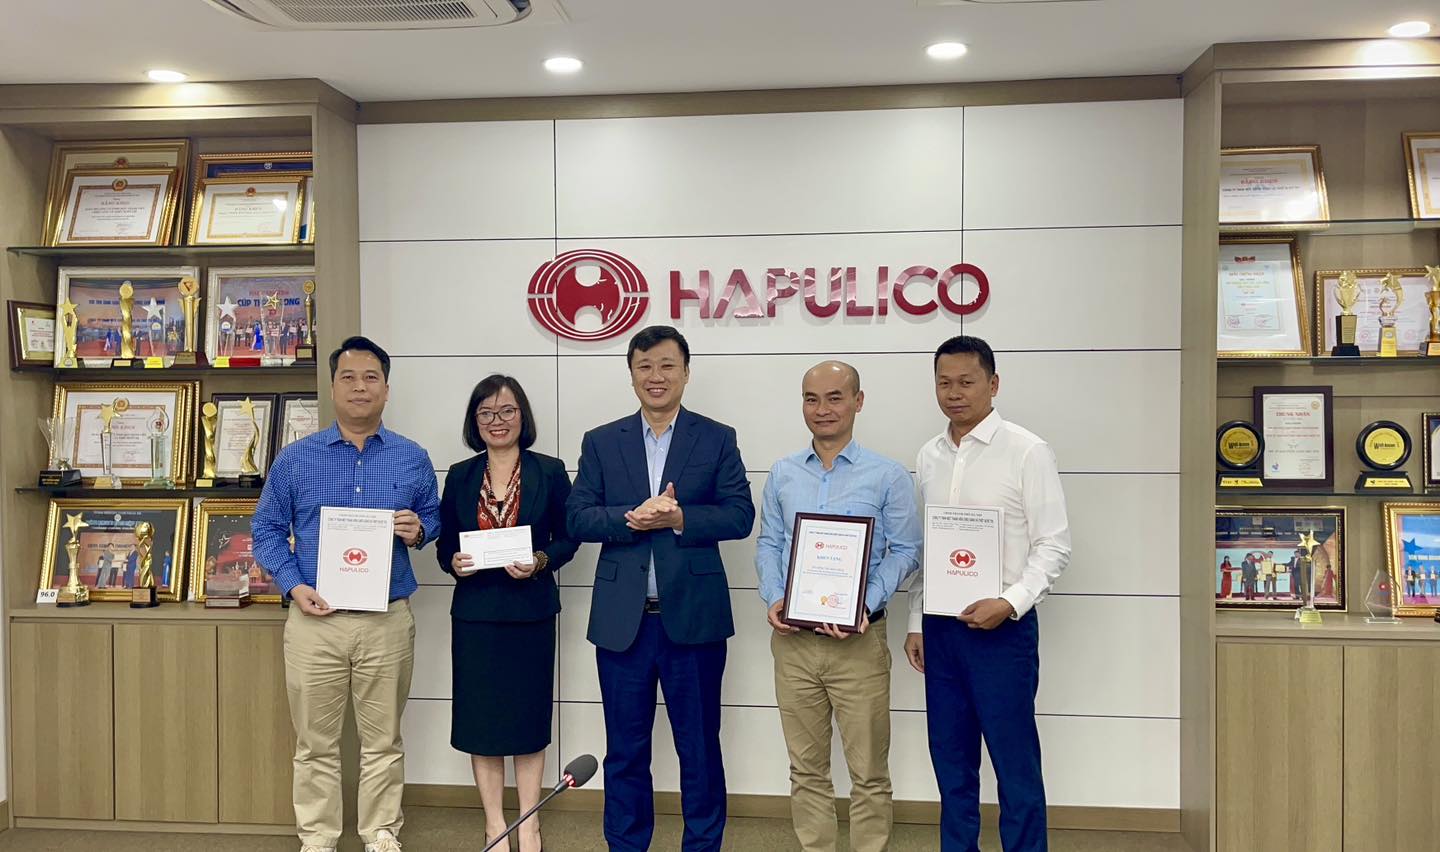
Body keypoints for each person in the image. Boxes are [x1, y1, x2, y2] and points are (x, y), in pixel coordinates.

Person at [566, 325, 755, 852]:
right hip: (623, 623)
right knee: (625, 751)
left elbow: (740, 514)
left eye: (668, 365)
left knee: (700, 749)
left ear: (686, 373)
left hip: (694, 620)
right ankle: (627, 844)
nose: (656, 376)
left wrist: (679, 518)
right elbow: (577, 516)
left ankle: (703, 845)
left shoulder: (716, 437)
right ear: (631, 375)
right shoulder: (602, 440)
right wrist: (632, 517)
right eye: (645, 366)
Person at [252, 335, 440, 852]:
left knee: (384, 741)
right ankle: (318, 838)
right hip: (316, 621)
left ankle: (381, 833)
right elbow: (266, 531)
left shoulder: (412, 457)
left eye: (371, 378)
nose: (360, 387)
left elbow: (433, 516)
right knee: (315, 743)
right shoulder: (295, 459)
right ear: (333, 387)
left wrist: (420, 531)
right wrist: (294, 586)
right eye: (349, 378)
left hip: (387, 620)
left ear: (386, 389)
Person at [903, 335, 1071, 852]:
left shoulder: (1027, 450)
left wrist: (1010, 602)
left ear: (993, 384)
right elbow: (929, 547)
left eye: (966, 382)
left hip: (1003, 632)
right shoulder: (929, 455)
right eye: (944, 383)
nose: (954, 393)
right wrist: (915, 620)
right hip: (941, 630)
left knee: (1014, 763)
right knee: (951, 762)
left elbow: (1054, 545)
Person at [754, 361, 921, 852]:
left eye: (834, 397)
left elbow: (907, 550)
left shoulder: (888, 475)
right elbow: (769, 543)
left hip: (859, 643)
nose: (822, 409)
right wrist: (775, 595)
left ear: (858, 401)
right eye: (812, 399)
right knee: (805, 768)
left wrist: (862, 605)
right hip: (794, 644)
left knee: (868, 770)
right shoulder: (783, 473)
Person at [436, 375, 578, 852]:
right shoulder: (460, 475)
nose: (497, 421)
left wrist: (540, 560)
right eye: (486, 413)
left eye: (507, 411)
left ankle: (529, 823)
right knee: (482, 723)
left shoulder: (549, 471)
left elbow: (569, 537)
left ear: (523, 416)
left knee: (528, 721)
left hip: (530, 613)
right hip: (476, 615)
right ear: (475, 421)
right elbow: (445, 545)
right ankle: (495, 824)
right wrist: (453, 562)